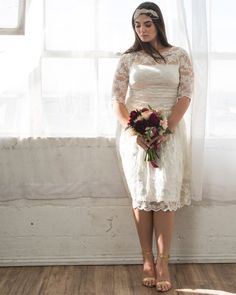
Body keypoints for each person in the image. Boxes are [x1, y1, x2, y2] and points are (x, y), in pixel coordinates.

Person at [112, 1, 194, 293]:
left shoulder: (179, 56)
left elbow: (185, 95)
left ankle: (164, 261)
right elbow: (117, 100)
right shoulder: (128, 59)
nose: (142, 30)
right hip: (136, 136)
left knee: (164, 195)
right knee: (142, 195)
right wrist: (134, 131)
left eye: (147, 24)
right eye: (137, 25)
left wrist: (166, 128)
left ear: (158, 24)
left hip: (169, 134)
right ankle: (146, 259)